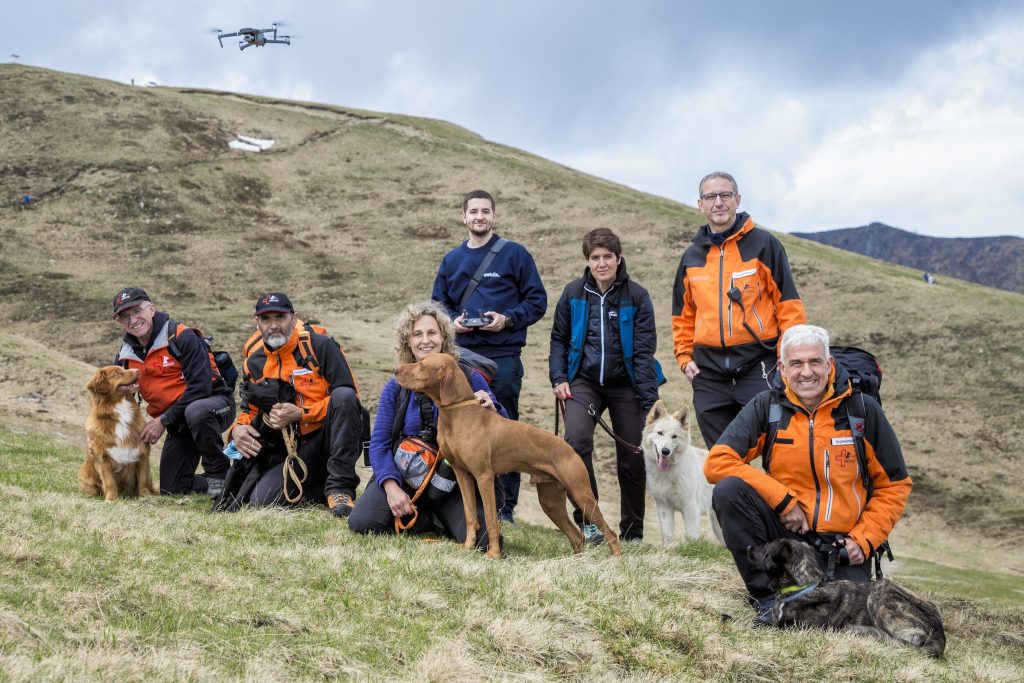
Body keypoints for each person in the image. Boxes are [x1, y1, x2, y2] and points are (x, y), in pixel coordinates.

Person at [704, 324, 912, 624]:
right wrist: (783, 500)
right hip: (789, 541)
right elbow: (717, 463)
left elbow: (895, 486)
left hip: (843, 547)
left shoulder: (861, 412)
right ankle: (766, 600)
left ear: (829, 365)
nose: (806, 372)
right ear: (782, 369)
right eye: (796, 363)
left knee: (840, 622)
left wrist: (864, 540)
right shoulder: (768, 408)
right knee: (728, 491)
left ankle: (812, 592)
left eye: (815, 362)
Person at [431, 189, 548, 523]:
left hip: (504, 356)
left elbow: (537, 301)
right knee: (456, 428)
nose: (479, 217)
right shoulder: (452, 260)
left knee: (504, 427)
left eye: (485, 211)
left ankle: (505, 508)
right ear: (463, 217)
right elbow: (437, 304)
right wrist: (451, 322)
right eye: (473, 212)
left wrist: (507, 319)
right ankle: (458, 503)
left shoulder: (515, 254)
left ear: (493, 216)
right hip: (463, 357)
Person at [349, 300, 505, 546]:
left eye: (432, 332)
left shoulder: (468, 377)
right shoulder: (396, 387)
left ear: (444, 337)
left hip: (455, 482)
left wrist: (493, 407)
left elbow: (503, 430)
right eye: (417, 334)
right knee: (362, 522)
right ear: (408, 341)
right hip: (406, 477)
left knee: (483, 541)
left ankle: (438, 516)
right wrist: (391, 487)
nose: (425, 340)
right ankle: (425, 518)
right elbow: (379, 443)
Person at [671, 172, 806, 449]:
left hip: (759, 367)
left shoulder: (764, 245)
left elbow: (788, 306)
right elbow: (683, 315)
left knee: (780, 451)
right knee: (722, 459)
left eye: (725, 195)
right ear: (700, 204)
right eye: (710, 197)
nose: (718, 202)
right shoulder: (691, 256)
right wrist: (685, 358)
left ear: (737, 200)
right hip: (708, 376)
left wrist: (788, 358)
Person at [549, 228, 662, 543]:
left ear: (618, 258)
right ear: (588, 261)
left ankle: (632, 532)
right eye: (595, 257)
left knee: (632, 457)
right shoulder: (573, 294)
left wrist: (649, 401)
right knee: (575, 442)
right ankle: (590, 522)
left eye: (607, 257)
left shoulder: (637, 296)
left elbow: (643, 352)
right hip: (584, 383)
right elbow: (558, 338)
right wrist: (559, 378)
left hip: (627, 385)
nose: (601, 263)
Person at [229, 292, 364, 515]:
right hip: (289, 451)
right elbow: (249, 410)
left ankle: (340, 488)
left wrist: (301, 414)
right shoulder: (253, 363)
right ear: (257, 323)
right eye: (266, 319)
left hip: (328, 438)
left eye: (280, 317)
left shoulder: (320, 347)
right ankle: (319, 489)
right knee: (261, 503)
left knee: (344, 397)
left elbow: (350, 398)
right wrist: (237, 430)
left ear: (293, 318)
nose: (274, 325)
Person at [111, 287, 234, 495]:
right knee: (172, 488)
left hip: (214, 406)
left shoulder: (181, 337)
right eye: (125, 316)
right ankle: (235, 480)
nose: (132, 320)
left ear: (151, 309)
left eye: (137, 311)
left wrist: (163, 421)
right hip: (179, 421)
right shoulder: (125, 357)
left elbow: (201, 387)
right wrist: (95, 435)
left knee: (197, 412)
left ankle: (219, 479)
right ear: (120, 323)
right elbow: (115, 400)